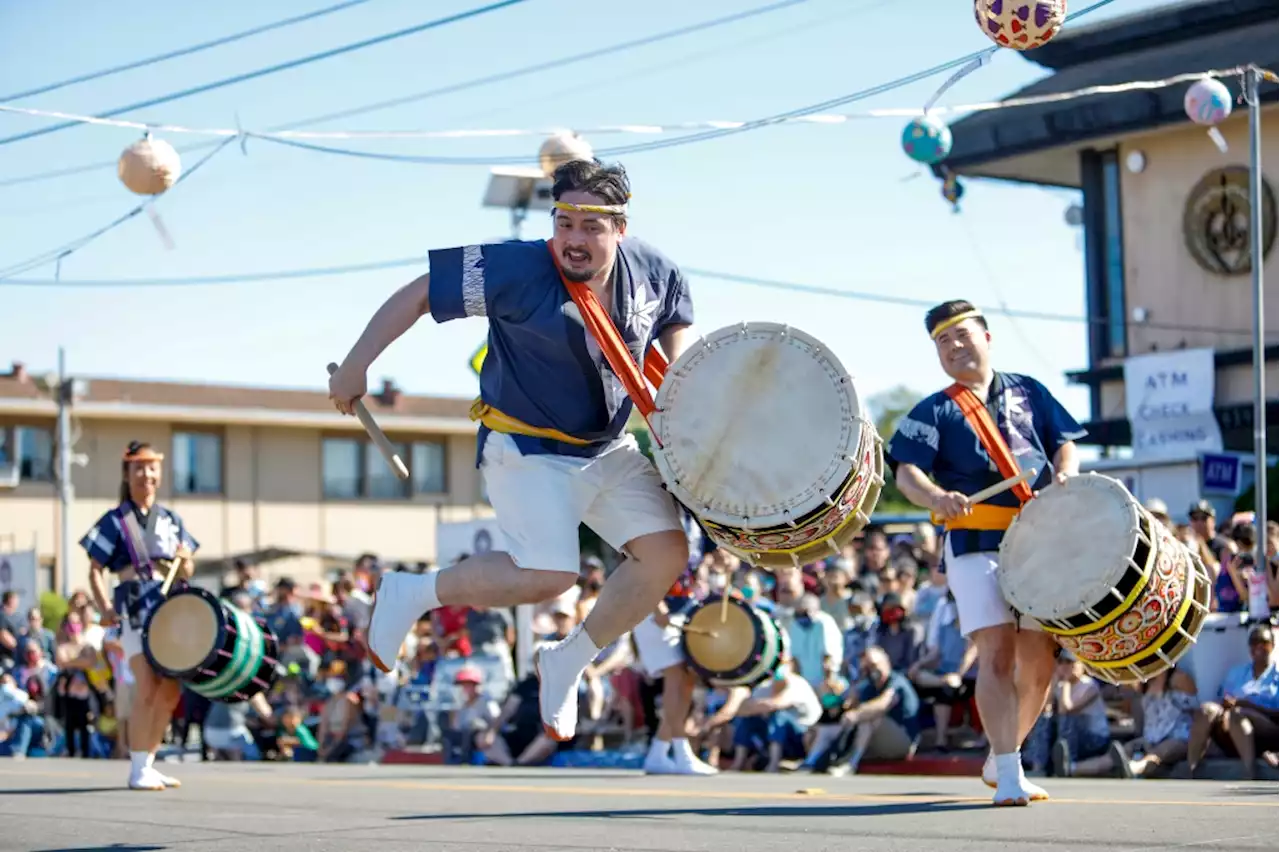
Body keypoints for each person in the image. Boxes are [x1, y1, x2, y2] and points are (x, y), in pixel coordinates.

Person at [328, 158, 695, 741]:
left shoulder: (656, 269)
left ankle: (569, 657)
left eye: (591, 226)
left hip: (609, 446)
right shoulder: (518, 265)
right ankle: (412, 591)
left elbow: (677, 321)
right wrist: (356, 363)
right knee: (551, 575)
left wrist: (679, 384)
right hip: (525, 445)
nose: (574, 238)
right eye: (565, 221)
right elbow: (422, 293)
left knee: (667, 554)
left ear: (620, 229)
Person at [886, 300, 1086, 806]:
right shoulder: (934, 409)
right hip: (975, 541)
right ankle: (1011, 770)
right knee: (995, 653)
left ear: (987, 337)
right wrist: (934, 497)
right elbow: (906, 471)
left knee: (1041, 657)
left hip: (1038, 540)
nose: (952, 347)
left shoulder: (1029, 391)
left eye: (960, 335)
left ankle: (1002, 756)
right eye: (941, 342)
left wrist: (1066, 473)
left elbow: (1064, 443)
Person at [81, 441, 198, 790]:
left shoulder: (171, 519)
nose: (146, 474)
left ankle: (148, 760)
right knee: (146, 684)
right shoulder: (115, 520)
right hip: (133, 609)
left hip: (168, 609)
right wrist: (104, 608)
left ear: (159, 473)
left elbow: (187, 569)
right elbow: (95, 570)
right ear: (127, 473)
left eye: (152, 467)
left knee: (170, 691)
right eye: (139, 468)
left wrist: (184, 559)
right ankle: (135, 768)